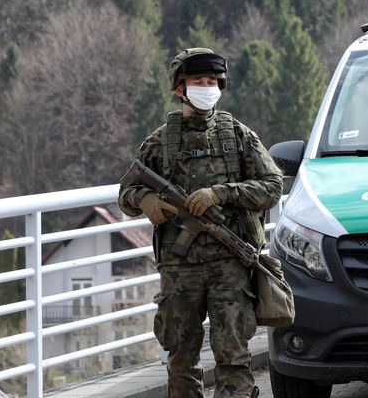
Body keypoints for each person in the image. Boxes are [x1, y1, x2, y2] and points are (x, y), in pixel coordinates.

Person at [118, 48, 283, 398]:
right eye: (198, 81)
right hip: (179, 267)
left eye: (212, 82)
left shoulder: (237, 136)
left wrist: (221, 194)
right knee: (181, 356)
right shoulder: (161, 142)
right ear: (180, 87)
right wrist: (146, 200)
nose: (207, 88)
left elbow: (272, 186)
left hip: (230, 262)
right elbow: (126, 192)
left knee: (233, 355)